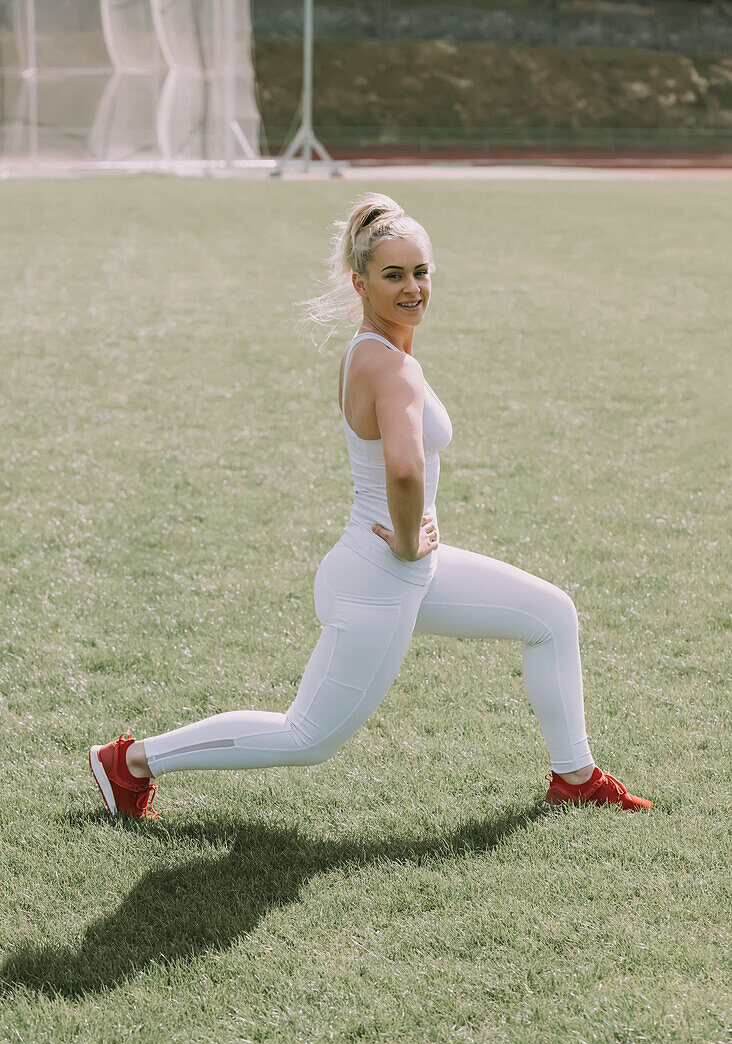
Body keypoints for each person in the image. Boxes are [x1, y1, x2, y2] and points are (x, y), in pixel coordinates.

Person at [89, 193, 652, 819]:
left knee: (550, 615)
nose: (412, 287)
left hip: (395, 568)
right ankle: (129, 763)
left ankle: (575, 778)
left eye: (420, 272)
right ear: (360, 283)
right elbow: (405, 470)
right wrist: (410, 543)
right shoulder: (392, 368)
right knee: (307, 736)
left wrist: (413, 552)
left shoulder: (373, 350)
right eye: (393, 275)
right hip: (381, 575)